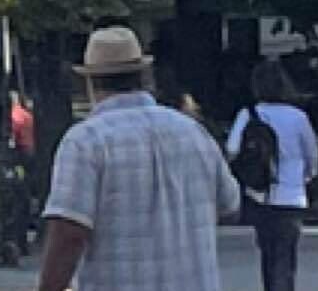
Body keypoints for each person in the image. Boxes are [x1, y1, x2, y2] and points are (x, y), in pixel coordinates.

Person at [28, 29, 234, 291]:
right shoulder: (193, 133)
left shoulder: (86, 141)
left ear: (91, 83)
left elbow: (69, 232)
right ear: (143, 76)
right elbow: (229, 204)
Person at [225, 65, 318, 291]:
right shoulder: (298, 117)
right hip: (292, 195)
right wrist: (307, 175)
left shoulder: (249, 114)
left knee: (268, 254)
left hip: (260, 194)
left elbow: (232, 148)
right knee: (286, 257)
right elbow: (311, 154)